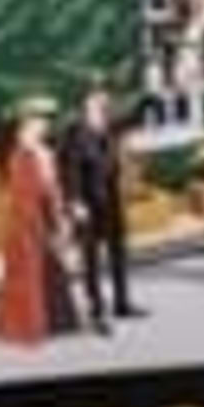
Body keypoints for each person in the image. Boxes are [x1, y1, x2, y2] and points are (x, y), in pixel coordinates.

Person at [0, 99, 80, 345]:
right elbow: (23, 194)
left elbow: (53, 187)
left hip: (47, 211)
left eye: (45, 122)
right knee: (30, 271)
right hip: (28, 220)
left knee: (53, 268)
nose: (44, 126)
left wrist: (61, 217)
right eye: (39, 122)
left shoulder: (44, 152)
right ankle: (26, 324)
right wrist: (37, 224)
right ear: (26, 123)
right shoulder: (20, 154)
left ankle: (58, 322)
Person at [61, 77, 137, 326]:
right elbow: (70, 169)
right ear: (87, 101)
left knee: (118, 251)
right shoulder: (76, 131)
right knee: (91, 256)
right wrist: (74, 201)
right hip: (89, 201)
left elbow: (116, 157)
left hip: (112, 198)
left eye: (104, 93)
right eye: (98, 94)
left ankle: (122, 303)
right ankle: (96, 308)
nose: (104, 98)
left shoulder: (109, 126)